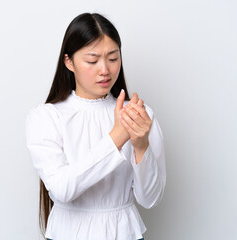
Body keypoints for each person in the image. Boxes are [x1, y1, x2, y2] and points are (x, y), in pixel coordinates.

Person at [26, 12, 166, 240]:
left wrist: (141, 146)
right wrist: (118, 136)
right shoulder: (47, 117)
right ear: (68, 62)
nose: (105, 70)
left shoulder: (140, 114)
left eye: (113, 59)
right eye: (92, 60)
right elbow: (62, 190)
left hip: (125, 234)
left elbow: (150, 199)